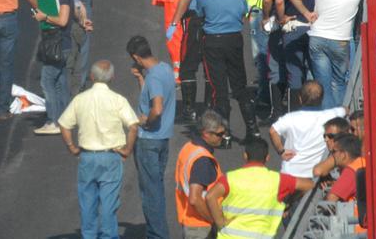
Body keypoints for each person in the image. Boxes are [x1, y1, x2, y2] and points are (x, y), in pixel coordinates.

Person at [58, 60, 140, 239]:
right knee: (109, 204)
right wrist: (127, 149)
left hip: (87, 156)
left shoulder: (80, 99)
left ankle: (89, 235)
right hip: (111, 156)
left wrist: (72, 147)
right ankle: (108, 235)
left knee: (87, 203)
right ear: (112, 77)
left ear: (91, 76)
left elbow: (64, 124)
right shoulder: (118, 100)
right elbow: (133, 126)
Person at [289, 0, 367, 109]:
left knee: (322, 83)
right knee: (338, 82)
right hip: (340, 41)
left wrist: (306, 13)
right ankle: (338, 116)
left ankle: (326, 115)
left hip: (317, 38)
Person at [195, 0, 259, 141]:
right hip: (234, 39)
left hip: (213, 41)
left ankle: (224, 134)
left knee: (219, 89)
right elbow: (243, 11)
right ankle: (253, 130)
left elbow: (200, 14)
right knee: (240, 85)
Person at [168, 0, 230, 121]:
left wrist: (174, 22)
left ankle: (189, 109)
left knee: (188, 64)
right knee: (211, 63)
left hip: (196, 20)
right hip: (217, 19)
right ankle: (210, 106)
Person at [205, 138, 314, 239]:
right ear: (267, 158)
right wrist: (289, 202)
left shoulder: (230, 178)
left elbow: (210, 196)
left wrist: (220, 222)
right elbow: (309, 185)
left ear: (245, 156)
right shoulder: (278, 180)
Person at [128, 35, 176, 239]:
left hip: (149, 139)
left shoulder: (154, 76)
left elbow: (156, 108)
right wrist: (141, 79)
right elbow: (149, 98)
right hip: (163, 139)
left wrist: (146, 122)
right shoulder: (164, 69)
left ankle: (157, 235)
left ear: (136, 57)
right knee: (156, 188)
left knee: (151, 192)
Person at [33, 0, 76, 135]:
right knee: (60, 82)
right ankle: (64, 120)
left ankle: (53, 121)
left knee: (47, 81)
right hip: (63, 44)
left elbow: (63, 21)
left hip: (59, 44)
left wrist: (45, 17)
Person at [269, 81, 346, 178]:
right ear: (322, 99)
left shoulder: (290, 118)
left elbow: (273, 131)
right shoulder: (331, 115)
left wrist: (281, 151)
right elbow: (345, 110)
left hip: (291, 173)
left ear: (300, 98)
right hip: (316, 173)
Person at [239, 0, 277, 119]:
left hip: (260, 13)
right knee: (272, 55)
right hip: (272, 13)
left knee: (261, 58)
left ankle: (264, 98)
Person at [174, 110, 227, 239]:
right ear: (206, 134)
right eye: (219, 134)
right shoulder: (203, 161)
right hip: (201, 226)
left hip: (190, 220)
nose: (223, 137)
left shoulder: (189, 147)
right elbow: (195, 198)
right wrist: (214, 220)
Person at [325, 134, 365, 202]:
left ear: (343, 155)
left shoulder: (351, 171)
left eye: (334, 151)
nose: (332, 155)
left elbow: (331, 199)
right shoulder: (362, 163)